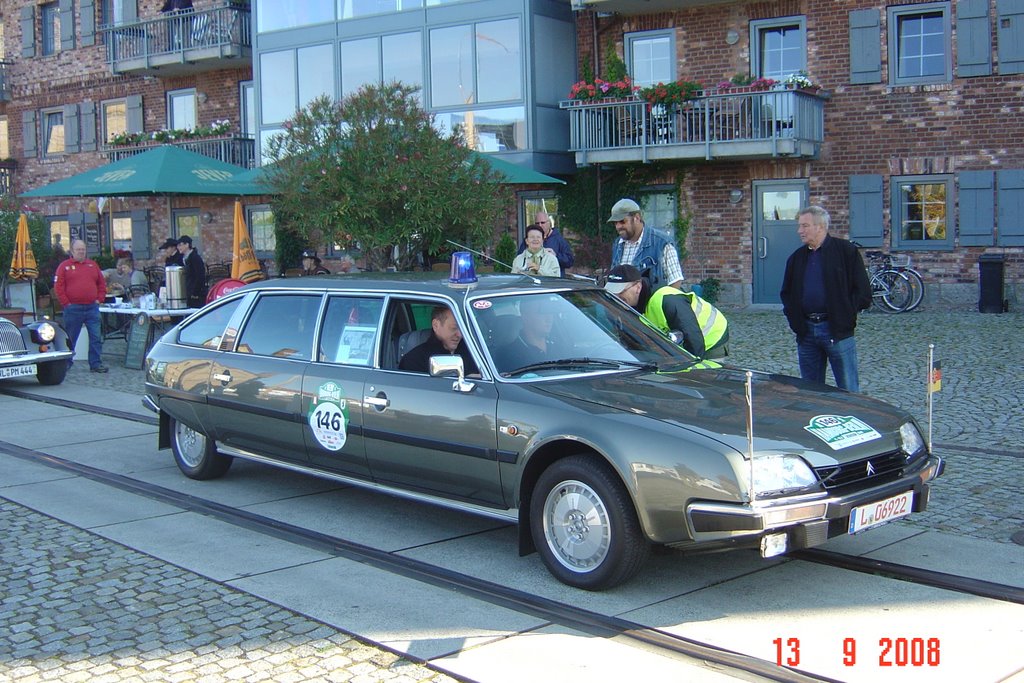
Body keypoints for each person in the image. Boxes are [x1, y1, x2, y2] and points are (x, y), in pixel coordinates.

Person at [780, 205, 872, 392]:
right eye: (799, 226)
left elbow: (863, 292)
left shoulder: (846, 252)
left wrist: (844, 315)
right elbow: (787, 294)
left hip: (837, 332)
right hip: (806, 333)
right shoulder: (796, 258)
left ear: (820, 226)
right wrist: (797, 323)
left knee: (848, 390)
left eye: (805, 226)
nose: (800, 231)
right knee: (811, 391)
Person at [604, 264, 728, 359]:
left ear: (638, 287)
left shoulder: (666, 299)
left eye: (621, 291)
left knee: (704, 382)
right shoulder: (628, 305)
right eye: (612, 293)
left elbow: (693, 339)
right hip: (684, 339)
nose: (616, 297)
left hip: (713, 338)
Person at [54, 240, 108, 373]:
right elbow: (58, 287)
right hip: (73, 309)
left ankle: (95, 364)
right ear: (72, 251)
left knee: (96, 337)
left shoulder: (92, 265)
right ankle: (66, 362)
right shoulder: (64, 266)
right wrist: (66, 303)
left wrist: (99, 299)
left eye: (83, 249)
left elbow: (101, 284)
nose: (81, 252)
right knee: (71, 338)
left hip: (91, 308)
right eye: (78, 249)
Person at [608, 198, 683, 289]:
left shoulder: (661, 243)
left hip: (652, 302)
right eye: (615, 223)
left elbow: (675, 282)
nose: (618, 226)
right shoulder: (617, 244)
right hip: (621, 303)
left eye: (622, 221)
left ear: (637, 218)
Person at [493, 295, 566, 373]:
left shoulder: (560, 347)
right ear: (525, 316)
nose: (549, 318)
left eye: (549, 312)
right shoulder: (508, 354)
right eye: (542, 313)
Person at [399, 307, 479, 375]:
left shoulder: (474, 353)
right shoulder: (414, 360)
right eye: (454, 328)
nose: (460, 334)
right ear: (436, 325)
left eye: (463, 329)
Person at [518, 211, 574, 277]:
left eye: (542, 223)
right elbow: (520, 259)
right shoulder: (529, 240)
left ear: (549, 223)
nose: (540, 225)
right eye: (537, 223)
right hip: (532, 280)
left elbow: (569, 262)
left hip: (553, 281)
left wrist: (556, 256)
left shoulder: (559, 239)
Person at [177, 235, 207, 308]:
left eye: (180, 245)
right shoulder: (184, 259)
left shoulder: (195, 258)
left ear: (187, 245)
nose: (178, 247)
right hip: (188, 292)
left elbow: (200, 276)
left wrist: (194, 292)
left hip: (196, 295)